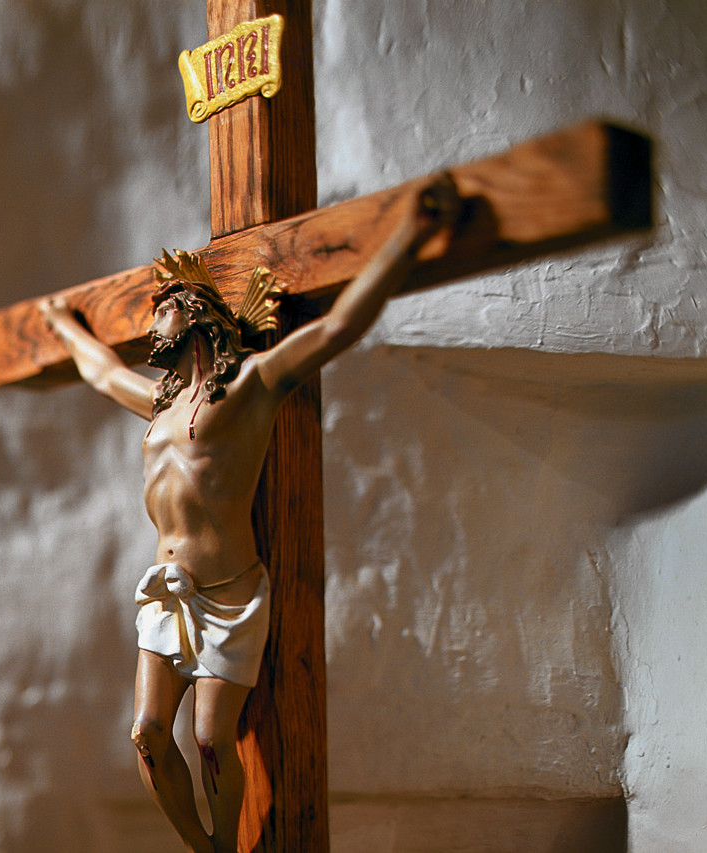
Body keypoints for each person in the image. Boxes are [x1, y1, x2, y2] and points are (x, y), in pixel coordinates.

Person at [39, 175, 459, 853]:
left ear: (196, 316)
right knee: (147, 735)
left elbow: (340, 327)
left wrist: (409, 237)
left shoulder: (250, 387)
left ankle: (228, 846)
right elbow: (99, 371)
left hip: (228, 594)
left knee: (211, 739)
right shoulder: (160, 404)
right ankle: (206, 851)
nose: (151, 324)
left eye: (162, 310)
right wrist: (61, 322)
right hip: (165, 591)